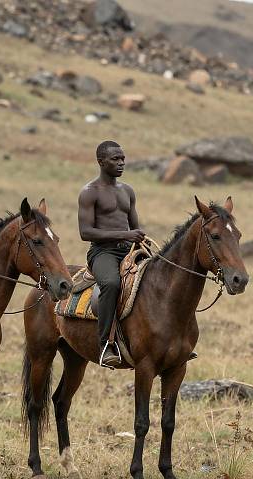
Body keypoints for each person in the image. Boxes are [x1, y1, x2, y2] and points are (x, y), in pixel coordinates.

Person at [78, 141, 144, 368]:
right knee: (111, 284)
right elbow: (85, 232)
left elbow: (135, 227)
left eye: (123, 159)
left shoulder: (127, 191)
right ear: (101, 162)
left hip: (129, 251)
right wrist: (124, 235)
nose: (121, 163)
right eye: (115, 159)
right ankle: (106, 344)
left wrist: (139, 240)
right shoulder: (90, 192)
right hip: (102, 252)